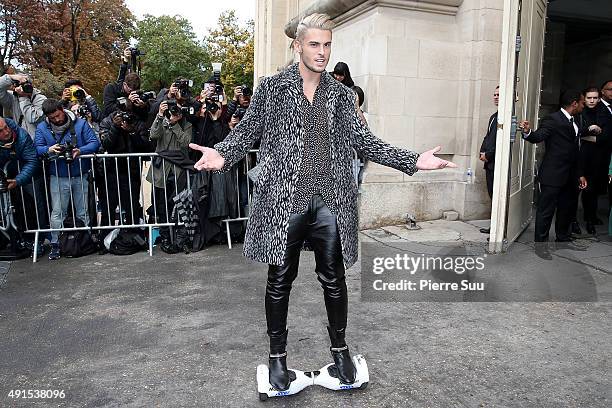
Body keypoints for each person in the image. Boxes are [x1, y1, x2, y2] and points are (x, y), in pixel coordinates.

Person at [189, 13, 456, 393]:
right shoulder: (271, 89)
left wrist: (413, 160)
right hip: (285, 201)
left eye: (327, 44)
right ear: (298, 46)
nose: (322, 52)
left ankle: (341, 352)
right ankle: (278, 360)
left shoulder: (341, 95)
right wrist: (223, 154)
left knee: (335, 280)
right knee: (280, 280)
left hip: (330, 202)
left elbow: (366, 142)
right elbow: (248, 130)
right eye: (314, 44)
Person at [519, 90, 588, 260]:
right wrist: (528, 132)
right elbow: (538, 137)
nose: (583, 104)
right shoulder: (552, 119)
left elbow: (575, 150)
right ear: (574, 103)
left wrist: (580, 174)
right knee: (546, 211)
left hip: (571, 175)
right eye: (581, 102)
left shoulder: (576, 119)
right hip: (553, 174)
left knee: (566, 210)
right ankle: (540, 246)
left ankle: (563, 238)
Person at [34, 99, 100, 260]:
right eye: (52, 118)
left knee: (83, 210)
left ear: (62, 109)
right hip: (58, 175)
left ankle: (84, 240)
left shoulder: (81, 124)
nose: (56, 119)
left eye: (57, 115)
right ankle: (56, 243)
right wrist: (48, 149)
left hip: (80, 173)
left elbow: (95, 143)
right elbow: (36, 148)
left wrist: (80, 150)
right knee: (58, 212)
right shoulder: (42, 127)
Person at [147, 99, 192, 253]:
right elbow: (153, 135)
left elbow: (186, 142)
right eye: (172, 110)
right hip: (161, 172)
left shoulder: (186, 124)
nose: (174, 113)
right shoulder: (162, 120)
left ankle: (179, 237)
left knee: (177, 204)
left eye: (177, 111)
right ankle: (165, 236)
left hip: (178, 171)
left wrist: (175, 125)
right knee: (161, 206)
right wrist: (160, 115)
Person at [0, 117, 47, 254]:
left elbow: (32, 160)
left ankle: (39, 239)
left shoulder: (21, 135)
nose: (6, 132)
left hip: (28, 175)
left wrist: (18, 180)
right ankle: (13, 238)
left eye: (6, 127)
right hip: (5, 174)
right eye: (1, 131)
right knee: (5, 208)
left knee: (36, 206)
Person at [577, 87, 604, 235]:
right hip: (578, 156)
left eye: (595, 98)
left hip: (595, 158)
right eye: (589, 98)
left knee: (591, 192)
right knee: (574, 191)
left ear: (599, 99)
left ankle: (589, 220)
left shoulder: (603, 113)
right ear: (584, 98)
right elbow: (575, 134)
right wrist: (590, 130)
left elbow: (605, 138)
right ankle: (573, 222)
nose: (592, 100)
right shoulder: (579, 112)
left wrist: (585, 136)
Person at [478, 86, 499, 234]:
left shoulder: (507, 117)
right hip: (489, 164)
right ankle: (494, 227)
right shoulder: (493, 116)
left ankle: (498, 229)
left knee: (498, 197)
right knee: (492, 194)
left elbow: (500, 141)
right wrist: (482, 151)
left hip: (497, 163)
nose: (496, 97)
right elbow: (488, 137)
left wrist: (489, 155)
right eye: (495, 94)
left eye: (499, 95)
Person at [0, 73, 47, 140]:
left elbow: (33, 118)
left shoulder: (41, 99)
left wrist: (23, 97)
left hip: (39, 141)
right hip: (21, 141)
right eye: (20, 85)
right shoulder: (12, 99)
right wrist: (10, 77)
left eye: (26, 84)